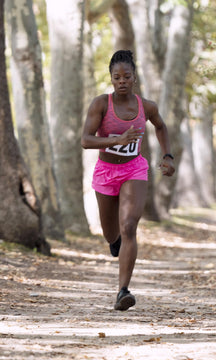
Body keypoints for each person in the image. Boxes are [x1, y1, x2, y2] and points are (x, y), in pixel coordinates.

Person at [81, 50, 175, 311]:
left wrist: (167, 155)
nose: (121, 81)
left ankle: (123, 291)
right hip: (106, 173)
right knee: (112, 234)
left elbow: (160, 126)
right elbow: (86, 140)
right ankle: (116, 244)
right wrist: (116, 140)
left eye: (127, 76)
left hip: (134, 170)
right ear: (111, 79)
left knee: (130, 225)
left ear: (134, 77)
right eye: (116, 77)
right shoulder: (101, 104)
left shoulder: (146, 106)